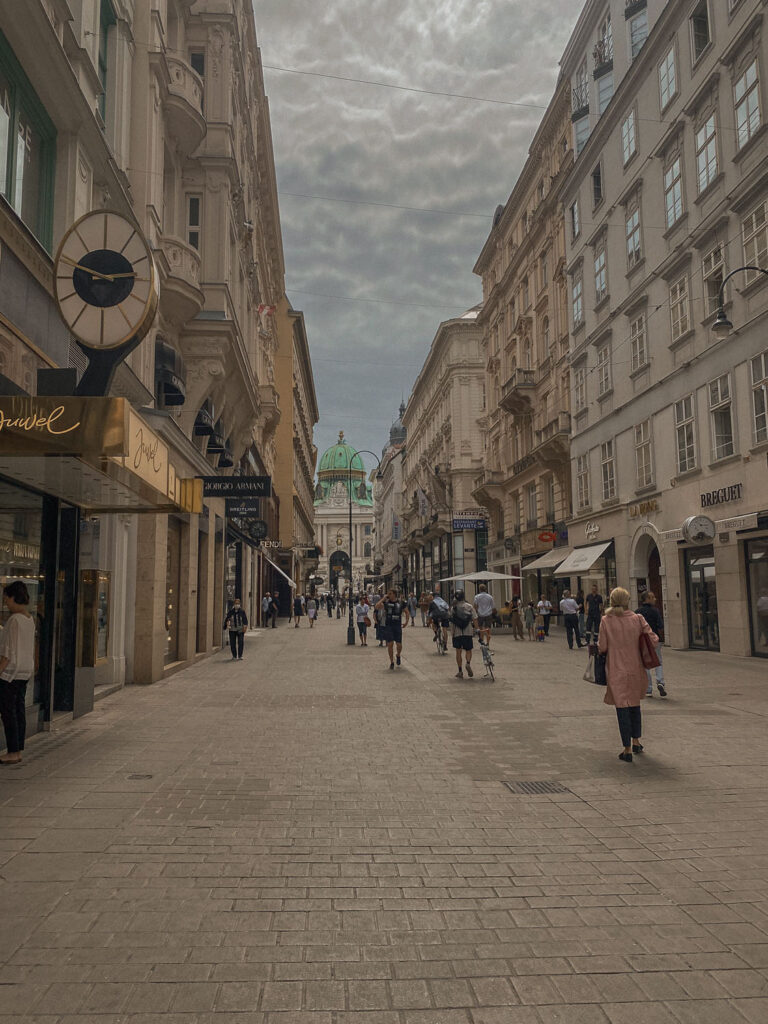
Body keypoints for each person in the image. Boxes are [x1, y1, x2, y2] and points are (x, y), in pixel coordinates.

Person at [598, 587, 658, 763]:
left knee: (622, 707)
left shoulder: (606, 621)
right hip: (635, 667)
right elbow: (653, 640)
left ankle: (627, 749)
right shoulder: (638, 619)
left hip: (616, 668)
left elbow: (602, 647)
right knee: (634, 704)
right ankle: (636, 741)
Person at [0, 581, 35, 765]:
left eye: (6, 599)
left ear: (13, 597)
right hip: (25, 670)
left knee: (8, 713)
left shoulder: (14, 620)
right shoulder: (29, 619)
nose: (5, 603)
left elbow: (8, 652)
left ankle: (12, 752)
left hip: (10, 673)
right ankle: (18, 749)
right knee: (19, 710)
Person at [635, 591, 667, 697]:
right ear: (647, 599)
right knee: (659, 661)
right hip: (655, 639)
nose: (655, 599)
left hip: (643, 641)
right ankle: (660, 681)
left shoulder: (637, 612)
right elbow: (660, 625)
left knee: (646, 664)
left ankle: (648, 689)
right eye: (652, 597)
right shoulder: (655, 611)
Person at [375, 589, 407, 669]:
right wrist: (383, 598)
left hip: (397, 625)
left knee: (399, 645)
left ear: (394, 594)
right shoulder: (386, 603)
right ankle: (392, 662)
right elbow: (377, 606)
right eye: (388, 593)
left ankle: (398, 655)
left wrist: (406, 622)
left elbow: (407, 612)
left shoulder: (401, 602)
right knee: (390, 644)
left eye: (390, 593)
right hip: (389, 625)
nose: (388, 595)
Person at [450, 589, 477, 679]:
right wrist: (476, 629)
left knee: (458, 651)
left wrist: (452, 632)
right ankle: (468, 663)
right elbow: (475, 619)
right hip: (468, 631)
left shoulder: (453, 608)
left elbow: (452, 621)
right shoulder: (469, 606)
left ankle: (460, 671)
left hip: (457, 632)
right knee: (468, 649)